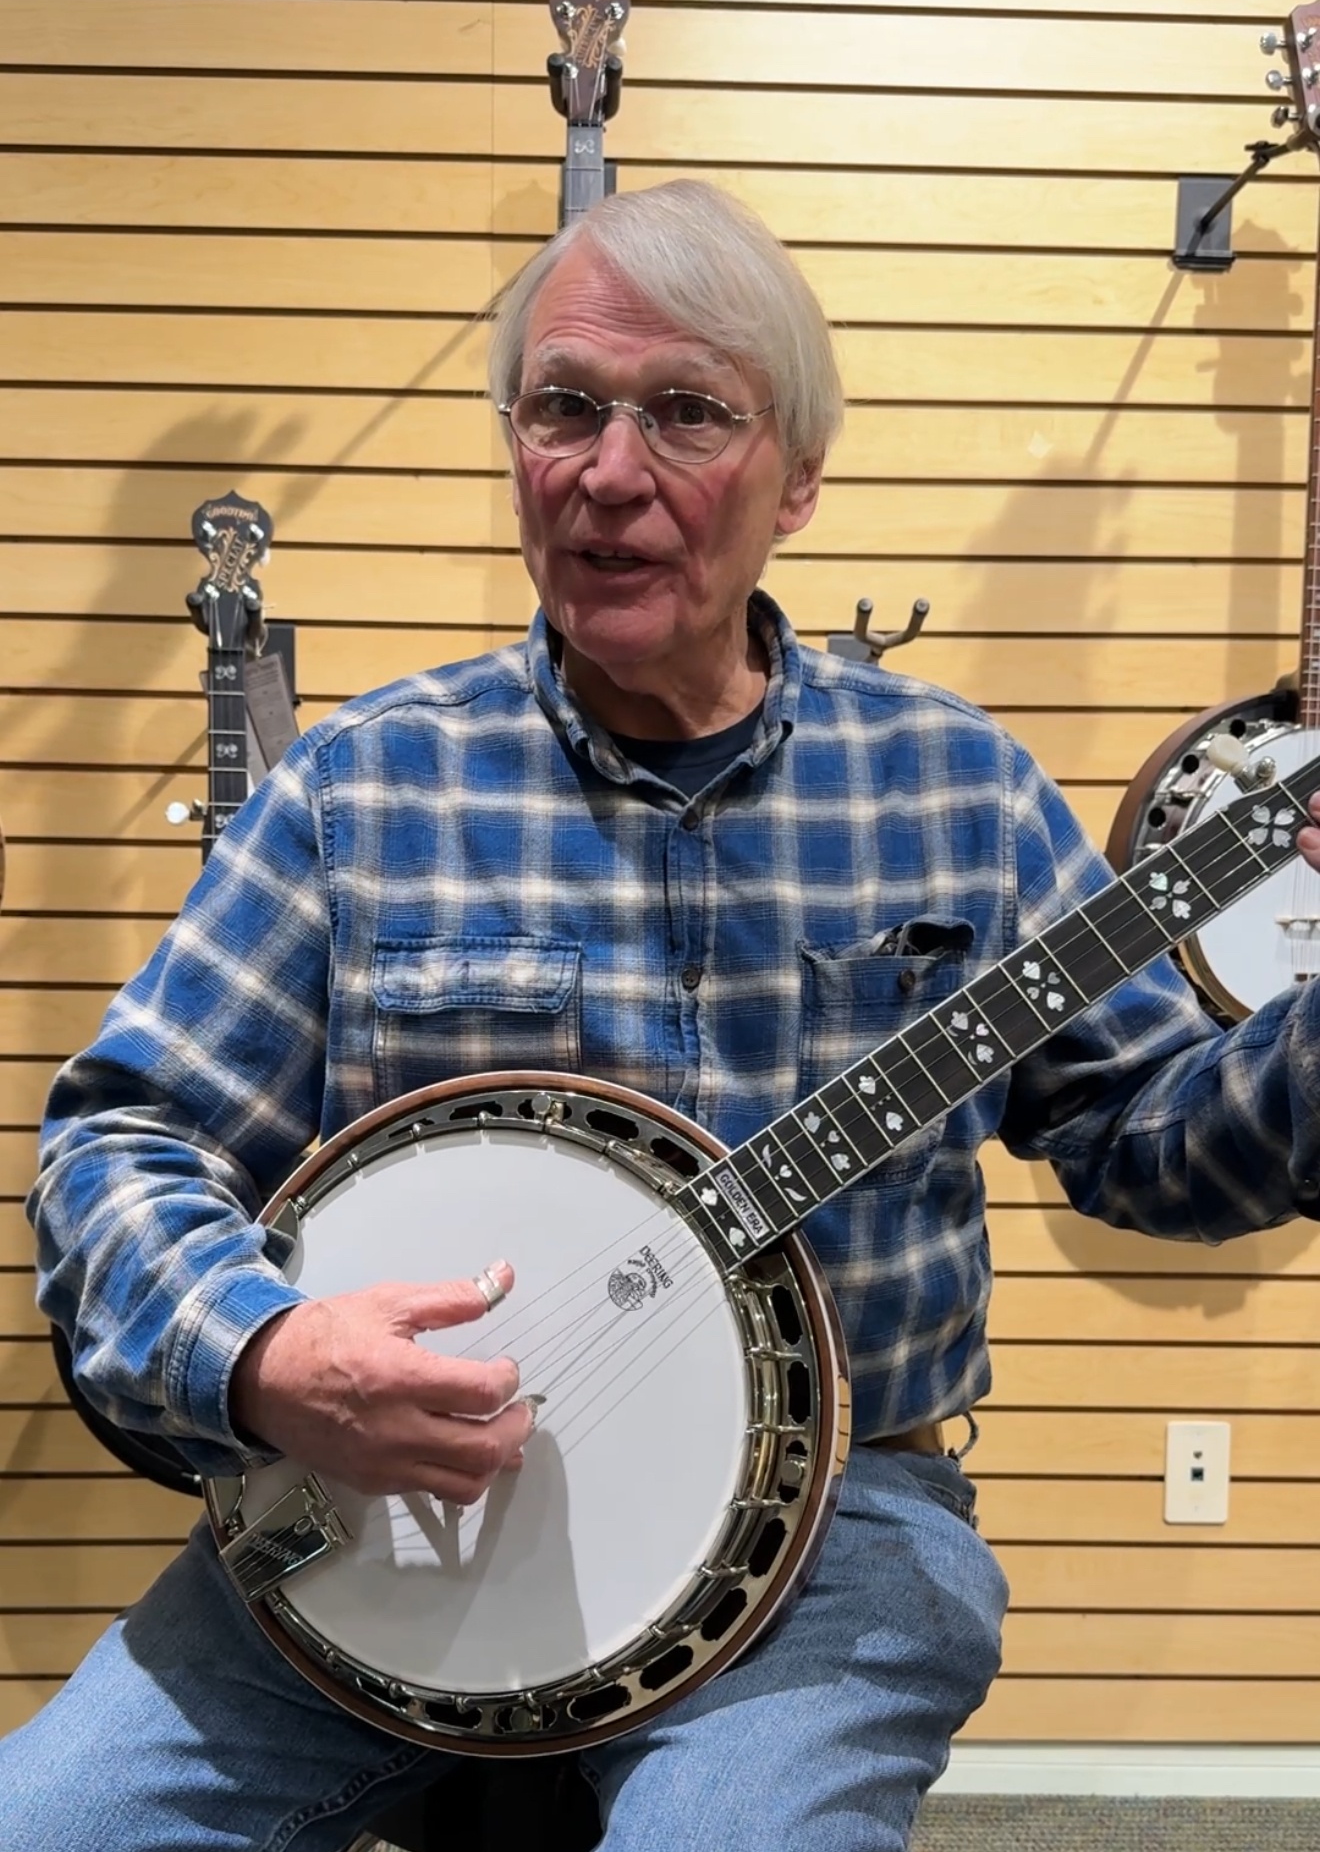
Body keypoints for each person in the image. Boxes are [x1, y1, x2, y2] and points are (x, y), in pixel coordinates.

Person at [6, 177, 1320, 1852]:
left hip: (832, 1528)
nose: (610, 474)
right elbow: (125, 1139)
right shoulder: (366, 783)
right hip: (381, 1520)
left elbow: (1166, 1148)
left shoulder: (958, 789)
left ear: (801, 478)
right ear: (516, 447)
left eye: (690, 413)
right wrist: (259, 1351)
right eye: (566, 407)